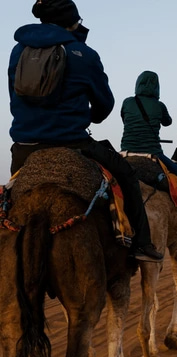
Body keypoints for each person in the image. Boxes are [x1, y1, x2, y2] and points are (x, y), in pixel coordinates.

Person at [8, 0, 162, 262]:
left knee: (11, 201)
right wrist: (81, 117)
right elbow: (104, 106)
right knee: (125, 175)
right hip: (72, 141)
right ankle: (141, 244)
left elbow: (15, 97)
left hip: (24, 147)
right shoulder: (84, 53)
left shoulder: (18, 51)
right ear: (73, 21)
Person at [120, 71, 177, 228]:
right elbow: (167, 122)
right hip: (153, 153)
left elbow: (124, 118)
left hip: (125, 153)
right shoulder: (159, 106)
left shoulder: (127, 102)